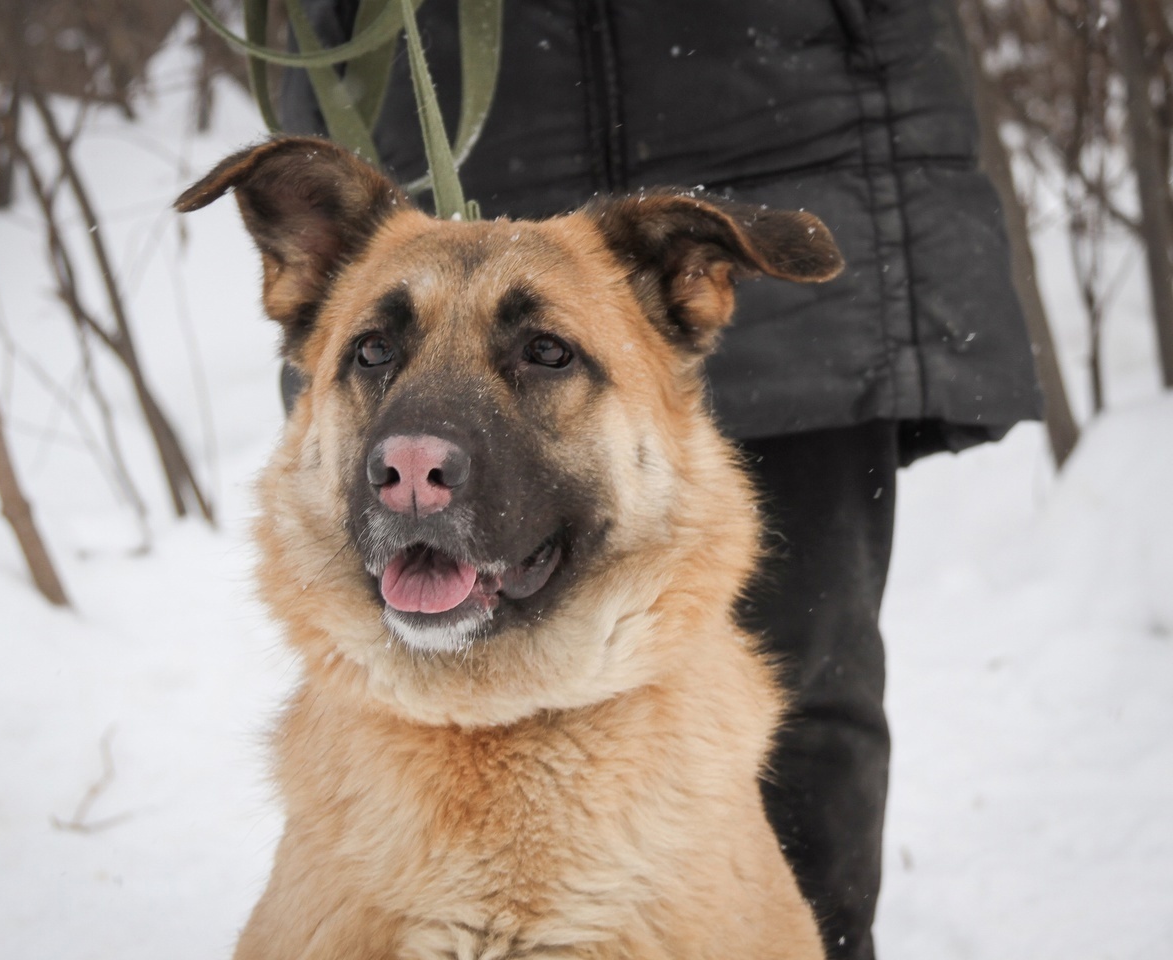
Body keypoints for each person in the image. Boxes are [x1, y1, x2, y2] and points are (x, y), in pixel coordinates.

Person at [278, 2, 1042, 957]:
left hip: (791, 121)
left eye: (544, 354)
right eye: (377, 350)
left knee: (817, 699)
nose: (415, 461)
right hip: (483, 127)